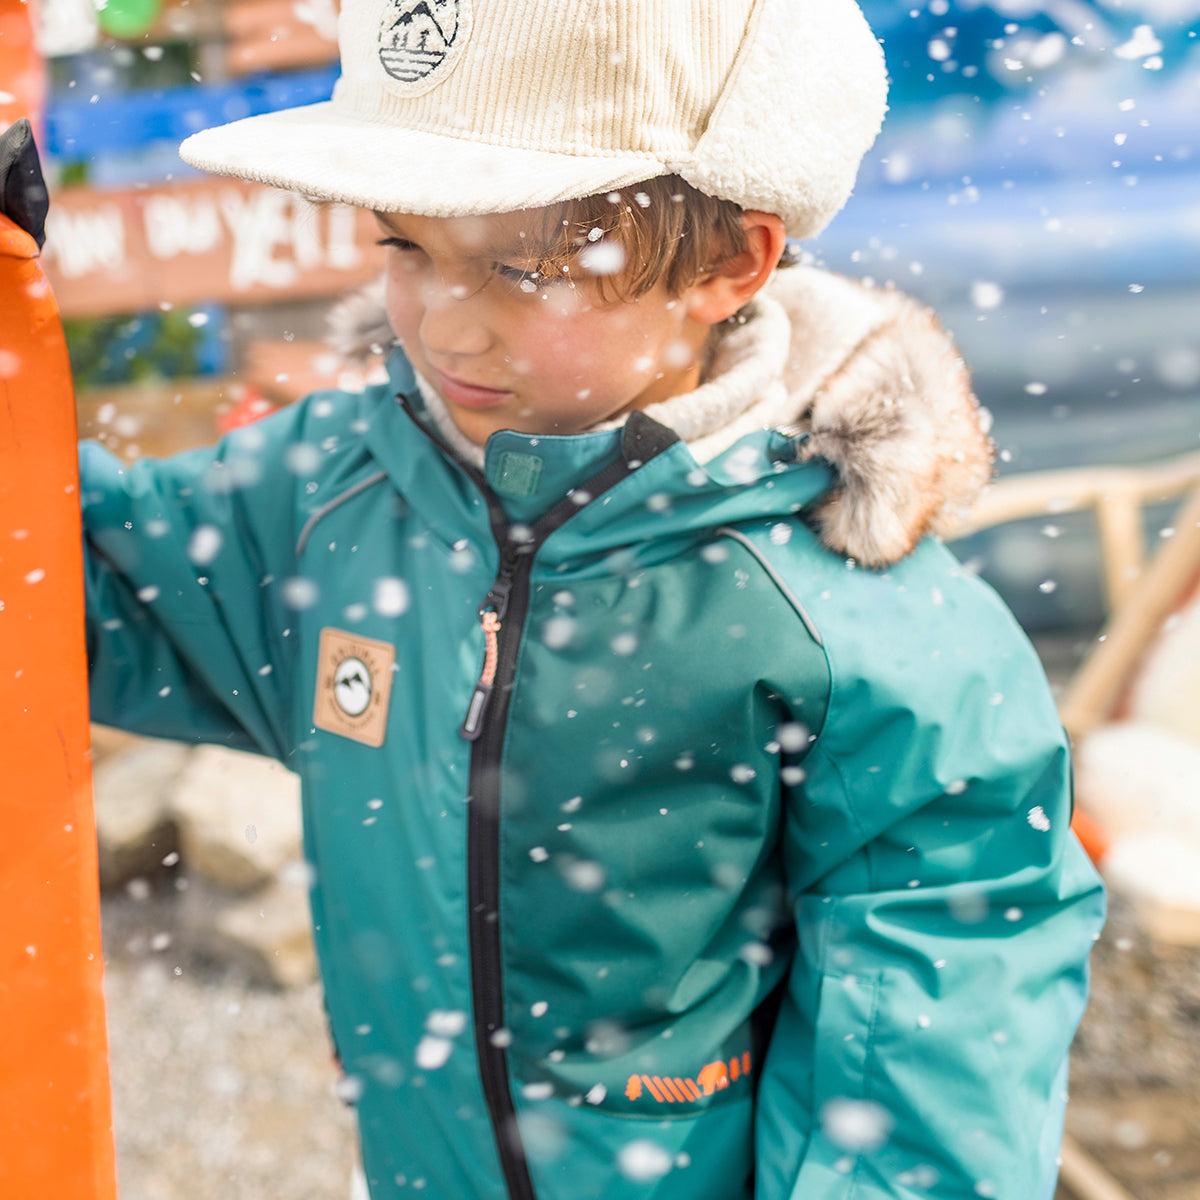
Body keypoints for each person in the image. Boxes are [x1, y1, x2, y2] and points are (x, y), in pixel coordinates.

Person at [81, 0, 1105, 1196]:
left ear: (730, 263)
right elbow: (69, 588)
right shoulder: (332, 497)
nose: (447, 321)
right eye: (404, 245)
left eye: (523, 266)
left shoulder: (853, 624)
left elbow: (926, 1070)